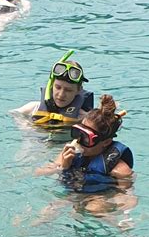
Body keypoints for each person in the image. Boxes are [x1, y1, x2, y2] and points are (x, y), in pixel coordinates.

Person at [34, 94, 136, 225]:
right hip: (74, 193)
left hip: (101, 195)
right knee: (48, 210)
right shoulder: (68, 153)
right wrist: (62, 166)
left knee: (94, 208)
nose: (79, 141)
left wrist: (125, 218)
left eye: (86, 137)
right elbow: (39, 172)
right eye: (78, 133)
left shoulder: (119, 168)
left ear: (106, 142)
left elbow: (128, 195)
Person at [11, 50, 94, 130]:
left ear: (79, 90)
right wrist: (25, 126)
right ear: (51, 85)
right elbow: (13, 114)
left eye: (68, 90)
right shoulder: (33, 108)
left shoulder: (84, 118)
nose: (61, 94)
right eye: (58, 87)